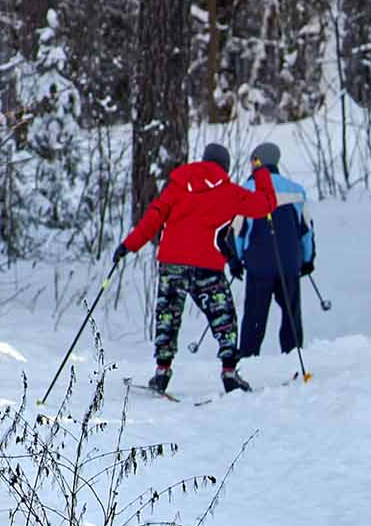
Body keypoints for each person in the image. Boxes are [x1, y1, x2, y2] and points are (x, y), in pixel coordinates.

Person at [116, 143, 277, 395]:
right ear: (225, 166)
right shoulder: (229, 192)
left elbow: (153, 217)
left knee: (167, 316)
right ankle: (229, 372)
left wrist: (129, 245)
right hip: (207, 266)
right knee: (223, 317)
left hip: (173, 264)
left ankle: (161, 372)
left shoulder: (176, 186)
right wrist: (261, 171)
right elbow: (265, 204)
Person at [232, 142, 315, 366]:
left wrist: (235, 259)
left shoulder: (246, 190)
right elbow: (306, 229)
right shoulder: (296, 190)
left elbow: (238, 231)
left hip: (258, 264)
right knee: (291, 312)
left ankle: (247, 361)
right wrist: (307, 259)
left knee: (255, 316)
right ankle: (293, 357)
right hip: (289, 263)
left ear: (257, 162)